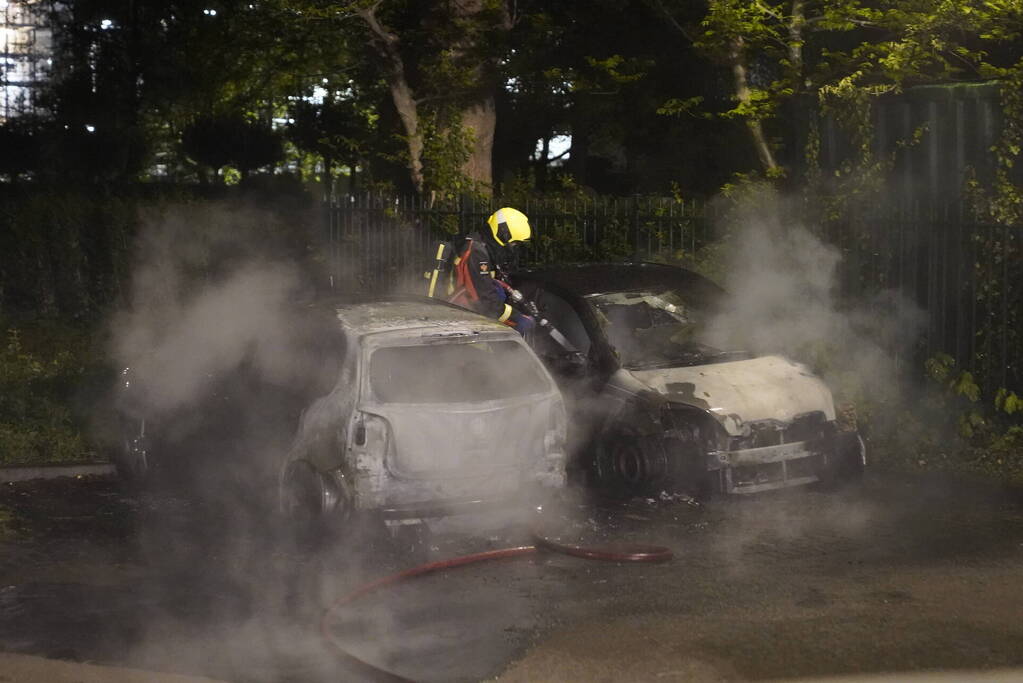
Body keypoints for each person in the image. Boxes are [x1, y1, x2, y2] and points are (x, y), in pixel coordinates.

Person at [448, 207, 535, 336]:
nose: (515, 248)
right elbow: (485, 301)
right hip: (459, 318)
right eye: (514, 243)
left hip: (468, 315)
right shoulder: (477, 253)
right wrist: (516, 317)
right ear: (503, 234)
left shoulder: (486, 248)